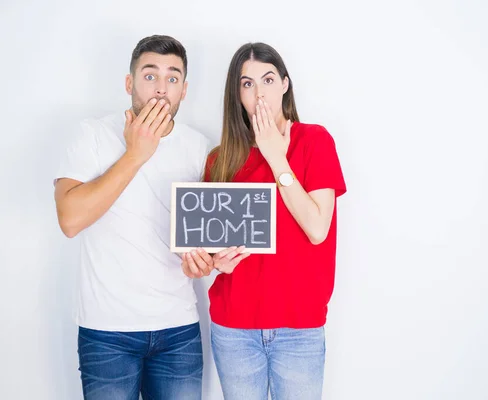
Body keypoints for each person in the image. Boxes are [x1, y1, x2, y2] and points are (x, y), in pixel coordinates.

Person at [183, 42, 347, 400]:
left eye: (268, 80)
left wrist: (277, 158)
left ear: (285, 84)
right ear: (236, 94)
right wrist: (214, 263)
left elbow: (317, 229)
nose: (259, 93)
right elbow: (214, 250)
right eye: (247, 84)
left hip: (298, 328)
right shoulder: (221, 159)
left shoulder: (315, 141)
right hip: (235, 328)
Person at [54, 34, 211, 400]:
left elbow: (205, 238)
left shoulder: (199, 146)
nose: (161, 88)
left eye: (173, 78)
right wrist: (136, 153)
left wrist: (205, 261)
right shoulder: (91, 135)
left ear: (184, 90)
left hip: (179, 331)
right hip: (107, 332)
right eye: (150, 75)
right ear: (129, 83)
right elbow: (70, 220)